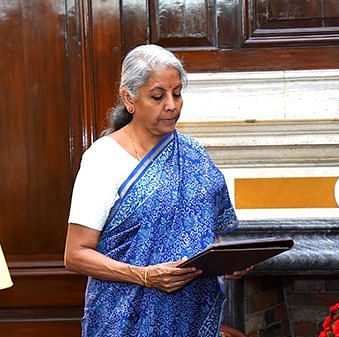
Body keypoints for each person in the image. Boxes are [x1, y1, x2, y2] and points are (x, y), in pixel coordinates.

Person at [64, 44, 250, 337]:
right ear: (129, 98)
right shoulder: (103, 159)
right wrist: (146, 276)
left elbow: (206, 233)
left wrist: (225, 263)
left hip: (190, 317)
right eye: (158, 96)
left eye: (177, 94)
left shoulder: (194, 154)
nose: (172, 105)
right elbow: (75, 254)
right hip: (123, 319)